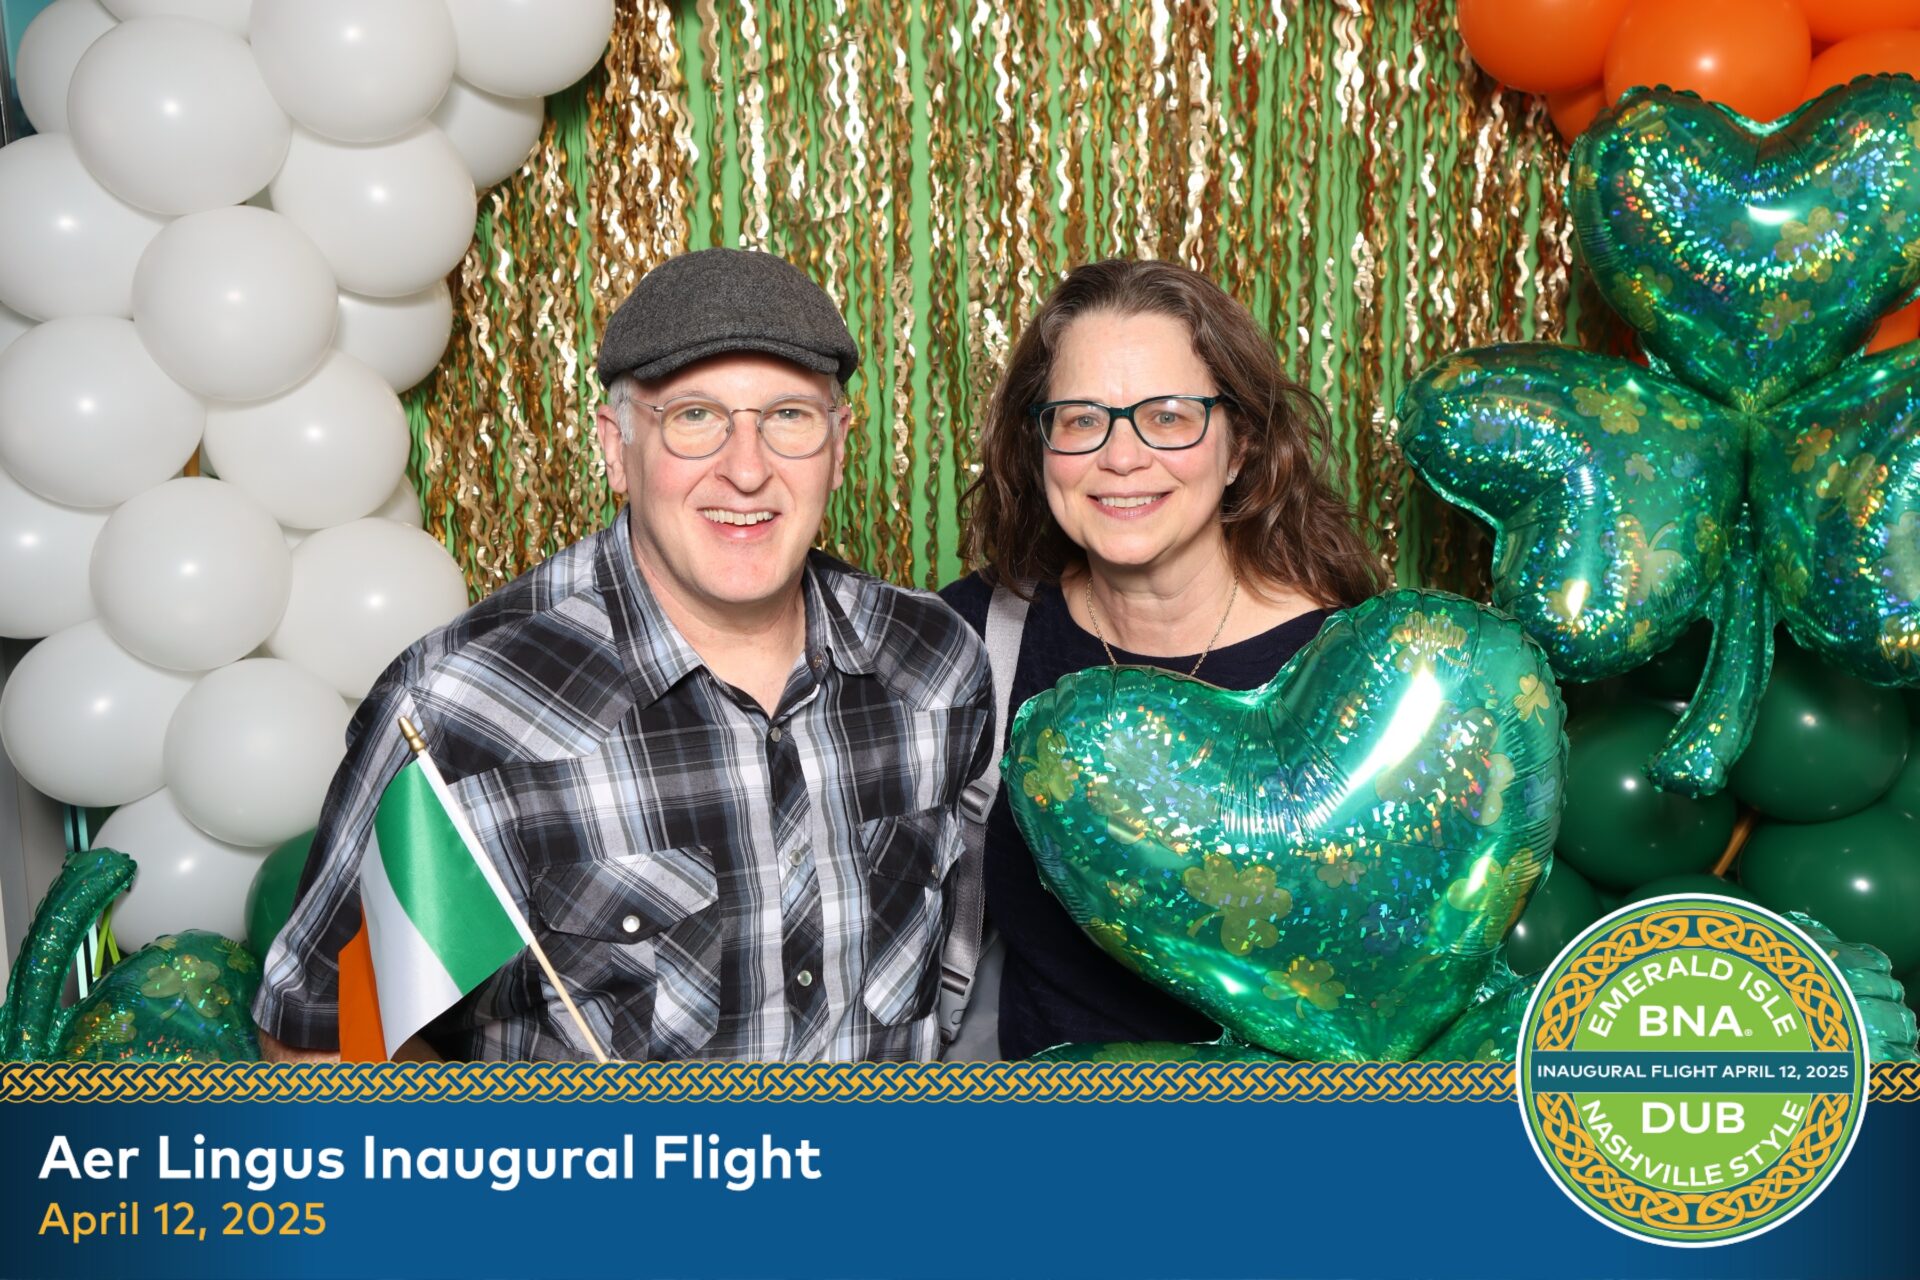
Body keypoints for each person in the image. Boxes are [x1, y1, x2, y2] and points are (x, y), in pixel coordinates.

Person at [254, 248, 993, 1062]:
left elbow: (950, 981)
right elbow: (323, 1041)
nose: (747, 470)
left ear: (840, 445)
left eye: (789, 416)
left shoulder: (936, 665)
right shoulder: (464, 707)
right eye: (695, 416)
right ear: (616, 447)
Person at [941, 259, 1385, 1058]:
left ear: (1239, 445)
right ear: (1040, 443)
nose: (1121, 456)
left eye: (1169, 417)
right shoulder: (974, 635)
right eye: (1082, 419)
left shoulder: (1351, 670)